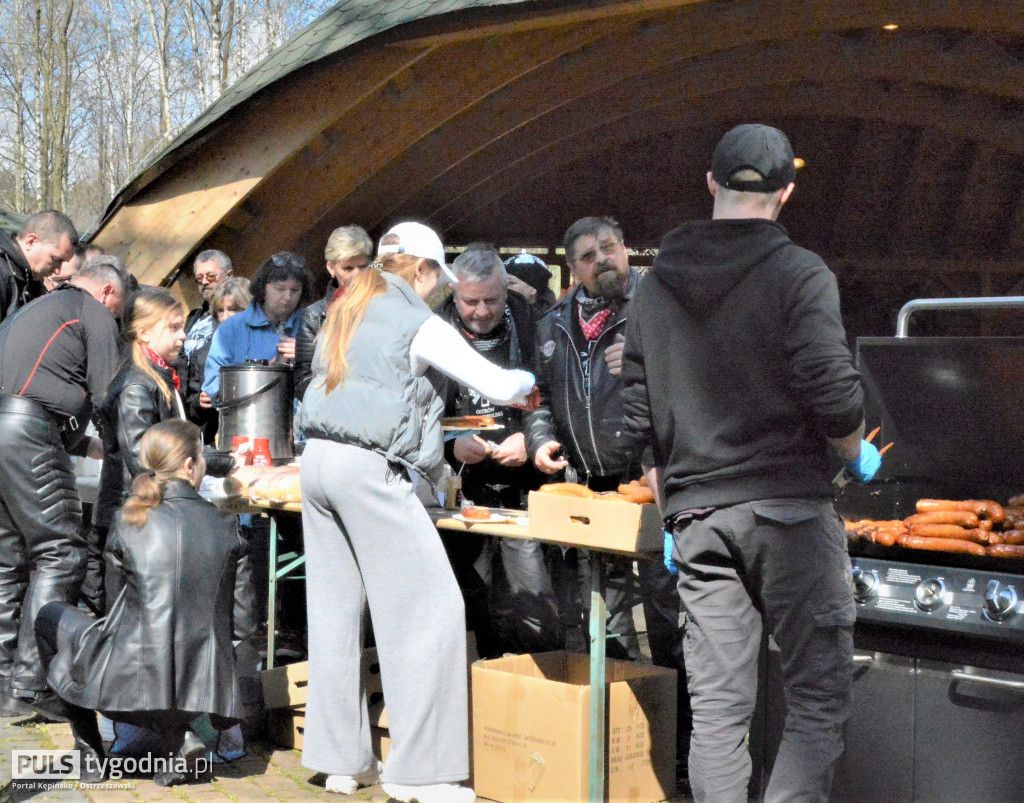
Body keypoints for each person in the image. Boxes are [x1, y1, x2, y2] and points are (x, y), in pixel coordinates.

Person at [620, 123, 880, 802]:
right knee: (817, 699)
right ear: (786, 193)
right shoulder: (799, 272)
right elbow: (832, 387)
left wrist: (673, 512)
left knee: (717, 715)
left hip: (699, 519)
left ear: (711, 183)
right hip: (788, 510)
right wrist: (858, 450)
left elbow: (638, 422)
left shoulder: (652, 287)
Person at [297, 223, 534, 803]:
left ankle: (340, 763)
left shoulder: (345, 311)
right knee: (432, 611)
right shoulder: (416, 320)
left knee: (334, 614)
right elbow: (497, 383)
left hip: (317, 465)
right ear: (425, 271)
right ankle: (419, 773)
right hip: (369, 472)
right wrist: (529, 383)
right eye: (439, 280)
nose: (440, 293)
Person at [34, 419, 256, 786]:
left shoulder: (127, 520)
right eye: (202, 456)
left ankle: (89, 749)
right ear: (189, 466)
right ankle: (192, 737)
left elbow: (113, 609)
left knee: (48, 616)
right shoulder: (229, 528)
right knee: (228, 645)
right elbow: (245, 625)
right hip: (204, 700)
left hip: (123, 690)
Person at [525, 216, 680, 666]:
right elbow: (539, 396)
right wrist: (539, 439)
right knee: (605, 615)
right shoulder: (553, 322)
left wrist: (646, 354)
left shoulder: (660, 304)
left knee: (666, 608)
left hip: (650, 478)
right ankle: (625, 707)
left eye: (609, 247)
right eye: (589, 256)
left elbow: (702, 372)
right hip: (590, 482)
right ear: (573, 269)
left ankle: (680, 720)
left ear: (626, 247)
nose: (603, 260)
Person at [0, 262, 125, 714]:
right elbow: (110, 396)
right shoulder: (90, 310)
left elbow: (34, 382)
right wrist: (124, 450)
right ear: (109, 291)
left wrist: (79, 443)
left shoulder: (36, 309)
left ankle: (4, 681)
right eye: (120, 310)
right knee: (62, 552)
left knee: (8, 557)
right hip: (27, 431)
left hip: (9, 429)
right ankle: (32, 686)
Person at [436, 244, 561, 657]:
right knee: (471, 591)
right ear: (454, 294)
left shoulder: (528, 322)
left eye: (492, 300)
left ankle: (544, 681)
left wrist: (531, 438)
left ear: (507, 290)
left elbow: (548, 394)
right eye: (471, 301)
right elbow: (417, 408)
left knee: (532, 597)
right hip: (459, 486)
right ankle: (482, 683)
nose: (482, 311)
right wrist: (450, 444)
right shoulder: (434, 328)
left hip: (518, 482)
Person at [83, 287, 238, 614]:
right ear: (144, 333)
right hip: (132, 516)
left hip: (145, 514)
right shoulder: (137, 385)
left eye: (181, 326)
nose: (183, 336)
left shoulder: (158, 377)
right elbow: (145, 457)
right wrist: (224, 461)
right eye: (173, 327)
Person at [202, 251, 311, 403]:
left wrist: (309, 355)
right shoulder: (231, 329)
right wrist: (262, 374)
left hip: (303, 423)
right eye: (280, 289)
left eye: (295, 290)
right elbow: (213, 386)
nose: (287, 297)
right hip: (250, 421)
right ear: (263, 289)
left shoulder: (312, 325)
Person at [294, 225, 373, 401]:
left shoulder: (384, 306)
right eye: (348, 268)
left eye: (363, 267)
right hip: (330, 414)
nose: (357, 275)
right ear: (331, 268)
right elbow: (303, 379)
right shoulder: (314, 315)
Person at [187, 277, 252, 443]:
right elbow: (199, 393)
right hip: (228, 431)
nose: (225, 317)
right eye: (220, 311)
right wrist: (199, 401)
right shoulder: (208, 348)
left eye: (233, 309)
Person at [179, 249, 233, 439]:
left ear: (229, 276)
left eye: (211, 276)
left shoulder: (236, 318)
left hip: (218, 416)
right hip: (190, 411)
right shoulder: (194, 317)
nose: (204, 282)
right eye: (199, 277)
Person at [0, 209, 79, 323]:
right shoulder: (3, 274)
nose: (57, 271)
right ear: (31, 241)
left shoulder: (31, 280)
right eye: (56, 260)